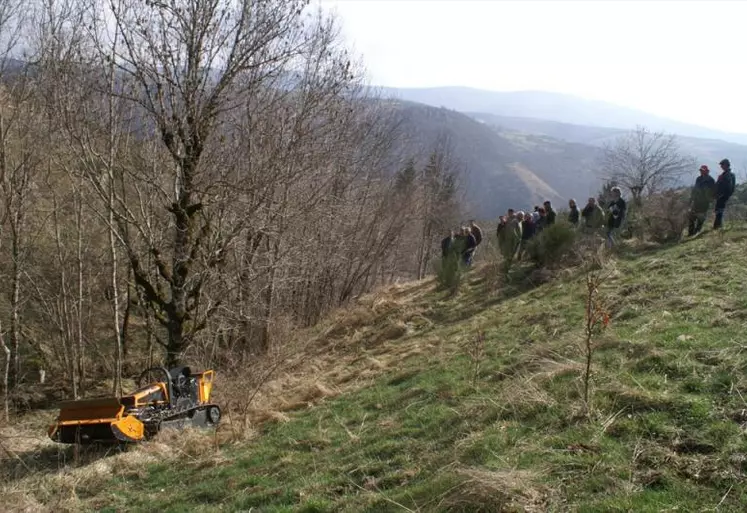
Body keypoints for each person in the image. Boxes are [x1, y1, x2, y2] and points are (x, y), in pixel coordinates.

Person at [687, 165, 716, 236]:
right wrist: (691, 199)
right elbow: (694, 189)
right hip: (696, 201)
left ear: (707, 171)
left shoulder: (711, 180)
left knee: (701, 218)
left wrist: (711, 200)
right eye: (701, 170)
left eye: (703, 170)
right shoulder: (698, 179)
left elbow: (713, 191)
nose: (701, 172)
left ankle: (697, 232)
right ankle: (690, 233)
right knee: (691, 217)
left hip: (704, 202)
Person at [713, 158, 736, 230]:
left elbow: (729, 187)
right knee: (718, 210)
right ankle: (717, 226)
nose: (721, 166)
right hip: (721, 195)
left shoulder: (729, 174)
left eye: (722, 165)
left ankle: (717, 226)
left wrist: (723, 195)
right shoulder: (725, 174)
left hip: (722, 196)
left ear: (726, 165)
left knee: (719, 210)